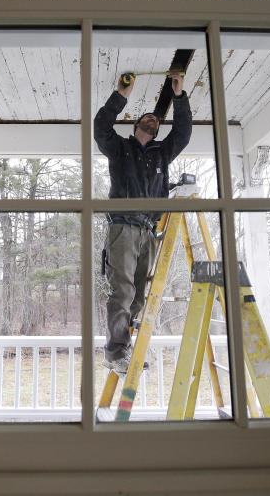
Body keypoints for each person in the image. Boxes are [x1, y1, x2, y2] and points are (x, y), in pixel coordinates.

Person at [94, 71, 192, 374]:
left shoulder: (162, 153)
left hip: (149, 231)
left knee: (137, 294)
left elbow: (184, 133)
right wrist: (121, 95)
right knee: (121, 292)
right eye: (147, 118)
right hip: (123, 227)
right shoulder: (120, 148)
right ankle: (115, 352)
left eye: (156, 121)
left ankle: (121, 346)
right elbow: (100, 127)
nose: (152, 121)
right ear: (137, 124)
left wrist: (179, 96)